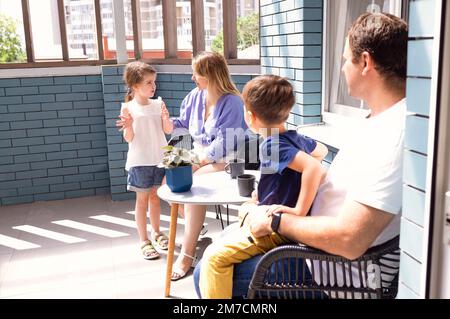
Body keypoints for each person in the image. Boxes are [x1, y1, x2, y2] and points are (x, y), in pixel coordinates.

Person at [194, 12, 408, 298]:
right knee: (223, 243)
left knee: (206, 270)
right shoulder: (377, 119)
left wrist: (276, 221)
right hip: (316, 250)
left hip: (333, 274)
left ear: (366, 62)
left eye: (346, 59)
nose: (343, 67)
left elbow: (349, 240)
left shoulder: (393, 134)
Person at [198, 75, 328, 298]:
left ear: (250, 116)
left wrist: (298, 211)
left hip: (276, 229)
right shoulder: (296, 138)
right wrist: (283, 185)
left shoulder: (270, 144)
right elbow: (322, 152)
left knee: (214, 258)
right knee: (247, 207)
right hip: (276, 215)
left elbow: (313, 169)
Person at [161, 51, 248, 281]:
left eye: (196, 73)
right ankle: (195, 227)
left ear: (210, 75)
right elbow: (182, 125)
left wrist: (196, 162)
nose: (193, 78)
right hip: (197, 155)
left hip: (226, 160)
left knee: (192, 183)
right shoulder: (194, 96)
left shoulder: (233, 102)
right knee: (168, 181)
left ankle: (187, 254)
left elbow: (225, 142)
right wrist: (166, 121)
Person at [116, 61, 169, 260]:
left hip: (159, 159)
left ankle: (157, 233)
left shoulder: (158, 104)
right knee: (142, 201)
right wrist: (128, 125)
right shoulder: (128, 107)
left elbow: (168, 130)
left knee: (156, 199)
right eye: (148, 82)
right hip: (140, 161)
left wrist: (165, 118)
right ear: (135, 86)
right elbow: (128, 138)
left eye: (154, 82)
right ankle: (144, 240)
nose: (153, 86)